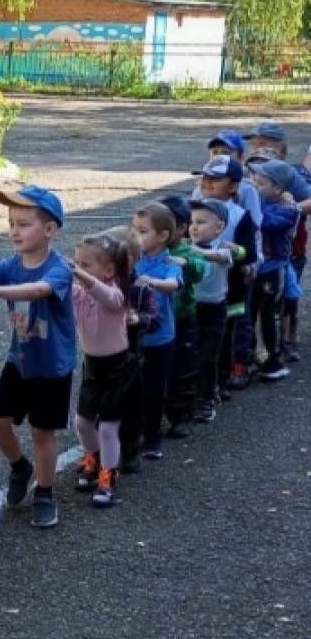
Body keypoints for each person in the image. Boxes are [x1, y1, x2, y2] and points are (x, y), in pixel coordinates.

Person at [0, 186, 76, 529]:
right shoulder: (11, 264)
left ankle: (45, 493)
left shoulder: (59, 268)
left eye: (23, 223)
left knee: (42, 434)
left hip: (52, 368)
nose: (14, 230)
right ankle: (21, 466)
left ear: (49, 230)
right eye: (11, 223)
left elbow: (37, 291)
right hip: (19, 361)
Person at [70, 234, 136, 508]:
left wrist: (85, 278)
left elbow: (108, 297)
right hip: (93, 366)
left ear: (109, 270)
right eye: (77, 263)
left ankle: (108, 475)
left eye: (86, 264)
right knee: (83, 422)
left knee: (109, 426)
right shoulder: (79, 293)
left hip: (117, 366)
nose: (79, 269)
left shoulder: (117, 293)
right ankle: (92, 458)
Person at [191, 156, 259, 393]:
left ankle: (219, 381)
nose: (207, 183)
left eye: (215, 180)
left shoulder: (240, 215)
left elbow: (250, 253)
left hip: (228, 288)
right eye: (205, 178)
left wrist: (235, 251)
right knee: (195, 337)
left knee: (223, 338)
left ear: (232, 186)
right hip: (197, 286)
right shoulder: (193, 210)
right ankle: (198, 384)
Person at [100, 226, 158, 474]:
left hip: (129, 358)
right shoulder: (96, 285)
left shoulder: (140, 288)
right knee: (98, 406)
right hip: (99, 357)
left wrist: (138, 318)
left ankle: (131, 446)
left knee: (130, 406)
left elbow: (155, 319)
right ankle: (99, 452)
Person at [132, 202, 183, 460]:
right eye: (135, 230)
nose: (135, 237)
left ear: (162, 236)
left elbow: (173, 284)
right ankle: (130, 434)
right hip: (131, 336)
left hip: (160, 338)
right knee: (131, 388)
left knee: (154, 389)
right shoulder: (131, 259)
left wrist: (150, 281)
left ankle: (152, 437)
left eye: (142, 231)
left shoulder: (171, 262)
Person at [248, 159, 300, 382]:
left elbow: (264, 222)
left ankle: (273, 360)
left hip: (272, 270)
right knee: (247, 313)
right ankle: (248, 357)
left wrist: (250, 203)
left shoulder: (287, 210)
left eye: (259, 183)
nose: (253, 186)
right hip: (253, 270)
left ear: (278, 188)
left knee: (269, 315)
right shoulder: (260, 201)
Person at [159, 196, 206, 440]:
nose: (160, 232)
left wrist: (185, 263)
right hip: (154, 322)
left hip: (181, 320)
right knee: (153, 371)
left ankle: (180, 415)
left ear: (181, 228)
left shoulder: (185, 250)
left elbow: (199, 270)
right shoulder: (147, 249)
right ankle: (150, 419)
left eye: (167, 225)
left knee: (183, 368)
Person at [189, 199, 240, 423]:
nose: (194, 226)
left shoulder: (224, 248)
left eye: (201, 222)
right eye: (191, 222)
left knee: (208, 356)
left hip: (214, 310)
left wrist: (194, 251)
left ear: (219, 228)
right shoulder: (186, 246)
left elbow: (218, 258)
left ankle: (207, 399)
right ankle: (189, 396)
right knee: (190, 354)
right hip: (191, 308)